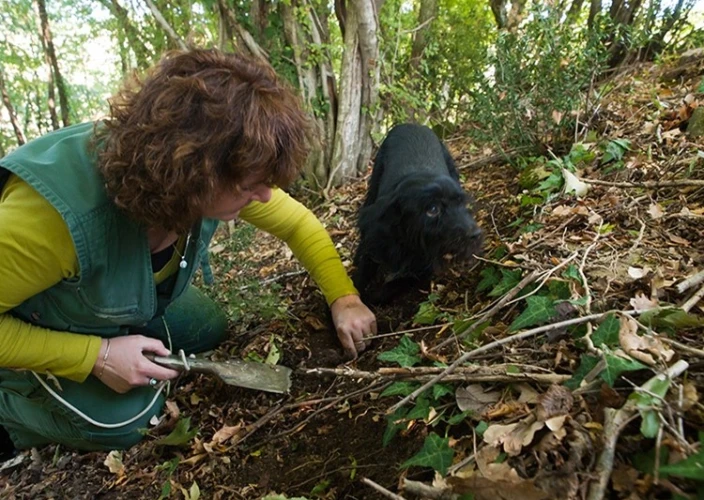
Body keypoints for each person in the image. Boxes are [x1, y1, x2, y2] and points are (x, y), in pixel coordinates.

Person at [0, 48, 377, 454]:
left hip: (110, 304)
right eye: (250, 184)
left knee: (206, 326)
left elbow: (299, 224)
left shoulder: (213, 183)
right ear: (192, 170)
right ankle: (11, 417)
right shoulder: (49, 219)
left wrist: (345, 298)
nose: (265, 195)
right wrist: (96, 355)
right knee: (128, 423)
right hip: (33, 320)